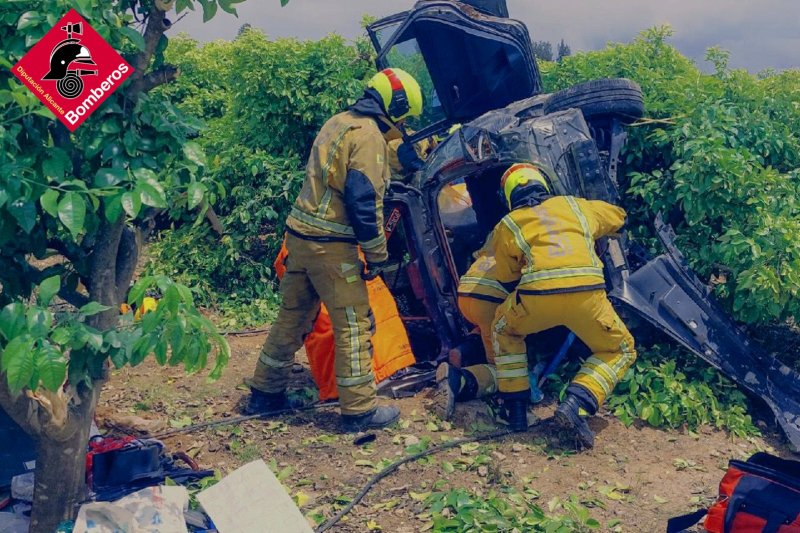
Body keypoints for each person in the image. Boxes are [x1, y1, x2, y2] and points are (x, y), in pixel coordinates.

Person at [244, 68, 423, 432]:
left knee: (292, 319)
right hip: (333, 248)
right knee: (354, 325)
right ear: (396, 105)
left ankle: (265, 393)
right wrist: (376, 256)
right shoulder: (370, 135)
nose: (402, 123)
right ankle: (359, 411)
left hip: (298, 240)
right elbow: (362, 199)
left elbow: (345, 169)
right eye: (403, 116)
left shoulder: (339, 121)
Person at [490, 162, 637, 448]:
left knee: (503, 329)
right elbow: (620, 218)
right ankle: (577, 403)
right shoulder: (576, 205)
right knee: (619, 349)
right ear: (544, 184)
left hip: (537, 298)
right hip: (588, 296)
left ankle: (516, 411)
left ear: (508, 196)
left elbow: (506, 277)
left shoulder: (507, 224)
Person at [433, 237, 512, 421]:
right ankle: (458, 380)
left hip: (467, 291)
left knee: (485, 327)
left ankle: (463, 351)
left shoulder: (503, 227)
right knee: (505, 371)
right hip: (491, 299)